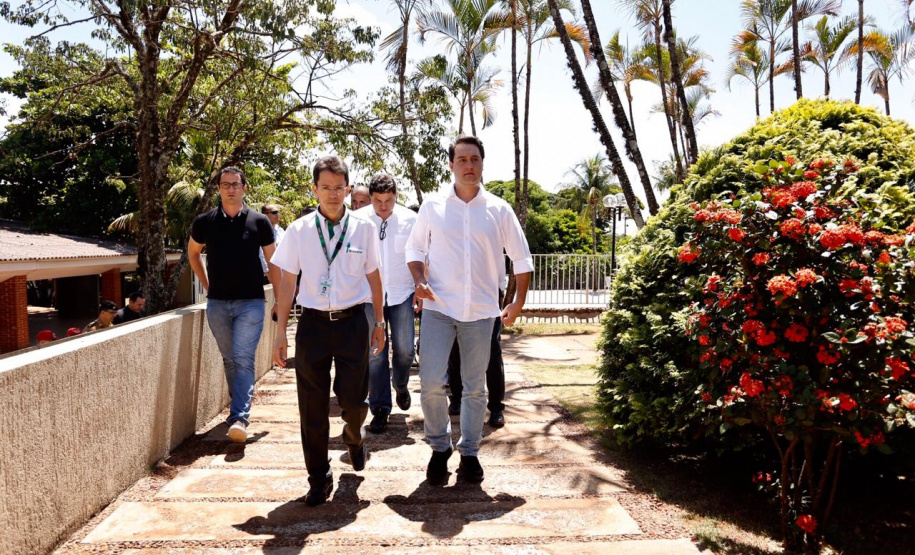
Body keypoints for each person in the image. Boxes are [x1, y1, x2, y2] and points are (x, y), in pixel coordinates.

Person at [406, 136, 532, 485]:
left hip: (481, 311)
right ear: (451, 164)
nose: (469, 165)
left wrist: (517, 302)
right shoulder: (432, 206)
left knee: (475, 388)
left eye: (475, 158)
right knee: (431, 381)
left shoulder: (499, 209)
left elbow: (522, 259)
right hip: (438, 307)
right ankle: (438, 447)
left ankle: (471, 453)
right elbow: (414, 251)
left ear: (482, 163)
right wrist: (419, 280)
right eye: (462, 159)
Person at [271, 155, 386, 507]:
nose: (333, 194)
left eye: (339, 188)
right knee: (312, 407)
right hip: (313, 327)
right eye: (326, 188)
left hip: (353, 323)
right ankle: (318, 478)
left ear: (348, 189)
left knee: (354, 402)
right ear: (315, 189)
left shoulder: (364, 228)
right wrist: (280, 334)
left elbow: (374, 277)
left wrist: (379, 323)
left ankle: (354, 437)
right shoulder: (299, 230)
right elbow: (288, 281)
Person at [188, 166, 279, 444]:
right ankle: (239, 403)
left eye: (235, 184)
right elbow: (193, 253)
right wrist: (207, 286)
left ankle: (239, 417)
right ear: (218, 189)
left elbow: (273, 262)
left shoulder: (259, 221)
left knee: (242, 358)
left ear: (244, 188)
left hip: (251, 302)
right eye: (225, 184)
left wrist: (279, 299)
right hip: (218, 303)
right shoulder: (205, 221)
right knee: (230, 359)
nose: (230, 188)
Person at [355, 173, 419, 434]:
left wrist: (420, 287)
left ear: (396, 196)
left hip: (402, 293)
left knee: (404, 350)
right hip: (370, 297)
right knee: (375, 354)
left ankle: (401, 385)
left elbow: (422, 253)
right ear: (370, 198)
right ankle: (380, 408)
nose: (384, 206)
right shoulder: (357, 221)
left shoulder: (411, 219)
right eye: (378, 200)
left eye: (389, 200)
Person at [447, 314, 505, 427]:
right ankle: (457, 398)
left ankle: (496, 406)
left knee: (493, 353)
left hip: (488, 308)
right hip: (456, 307)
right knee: (455, 350)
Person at [259, 204, 285, 280]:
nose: (277, 214)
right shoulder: (260, 231)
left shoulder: (281, 231)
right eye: (274, 212)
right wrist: (267, 272)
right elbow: (260, 253)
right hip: (267, 274)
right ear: (264, 215)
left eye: (278, 212)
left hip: (283, 271)